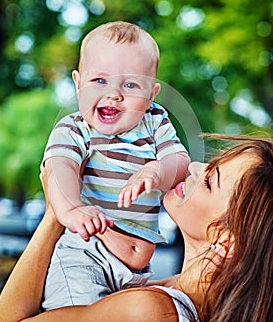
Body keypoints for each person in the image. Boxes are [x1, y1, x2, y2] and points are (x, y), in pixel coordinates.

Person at [0, 134, 273, 322]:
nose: (195, 167)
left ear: (224, 239)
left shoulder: (150, 312)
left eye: (210, 181)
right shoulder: (175, 296)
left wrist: (56, 213)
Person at [40, 21, 190, 309]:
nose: (114, 94)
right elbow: (60, 167)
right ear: (78, 83)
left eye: (131, 84)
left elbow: (180, 161)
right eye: (100, 81)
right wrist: (71, 209)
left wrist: (157, 170)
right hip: (84, 256)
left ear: (151, 95)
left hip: (136, 273)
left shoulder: (155, 121)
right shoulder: (76, 128)